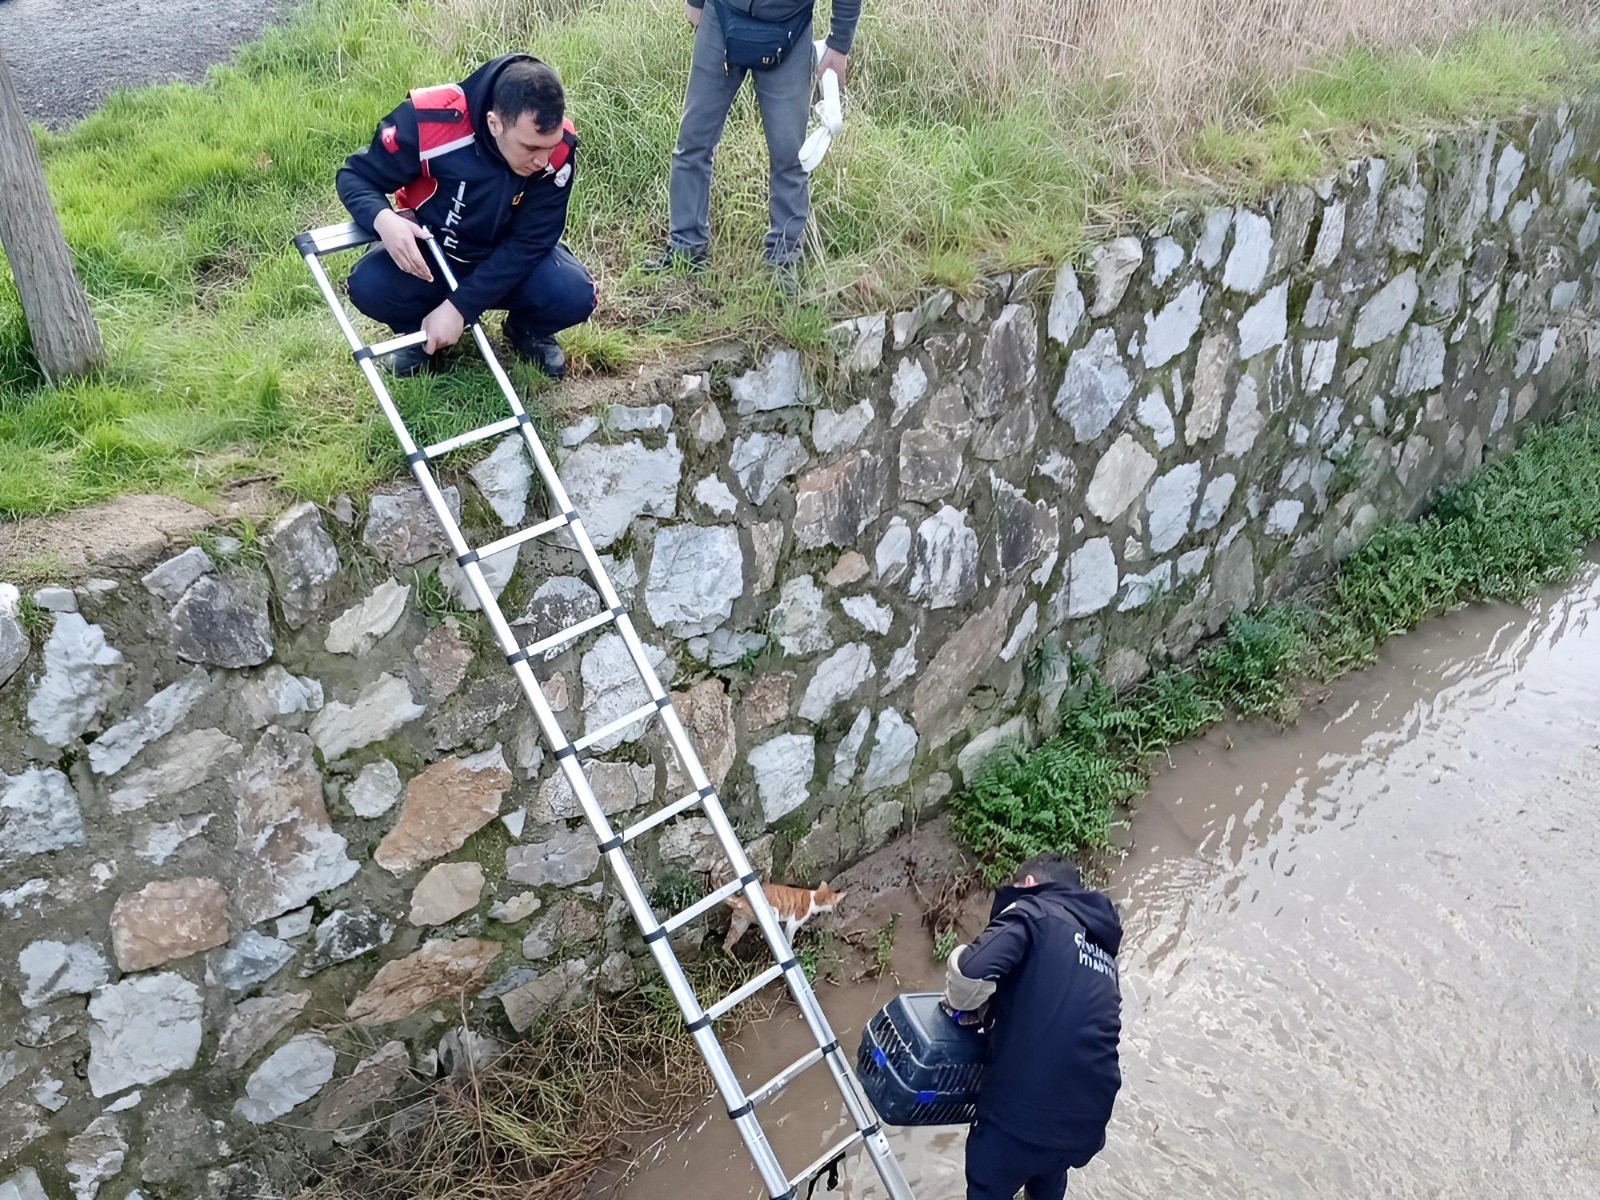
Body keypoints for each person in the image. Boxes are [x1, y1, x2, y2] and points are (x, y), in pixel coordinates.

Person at [336, 55, 596, 379]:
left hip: (503, 261)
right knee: (369, 284)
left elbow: (531, 242)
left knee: (574, 293)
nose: (543, 160)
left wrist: (460, 307)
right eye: (529, 148)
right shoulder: (431, 121)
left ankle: (525, 331)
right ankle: (421, 335)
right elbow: (354, 177)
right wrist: (382, 218)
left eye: (549, 146)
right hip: (433, 258)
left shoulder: (557, 151)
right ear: (494, 123)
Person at [942, 856, 1123, 1200]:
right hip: (1084, 1126)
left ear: (1028, 885)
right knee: (1048, 1170)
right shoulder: (1105, 957)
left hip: (1018, 1123)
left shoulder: (1035, 911)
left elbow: (970, 971)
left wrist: (964, 1005)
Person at [647, 0, 860, 288]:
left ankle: (783, 262)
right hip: (721, 16)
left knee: (789, 155)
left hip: (790, 26)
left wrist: (840, 42)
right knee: (693, 141)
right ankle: (685, 248)